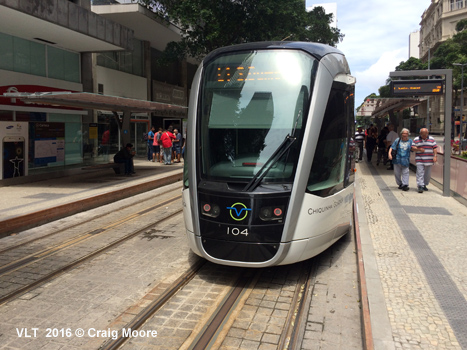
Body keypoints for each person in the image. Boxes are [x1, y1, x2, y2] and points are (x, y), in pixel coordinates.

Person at [413, 128, 438, 193]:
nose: (424, 136)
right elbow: (413, 148)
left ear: (428, 133)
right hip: (419, 159)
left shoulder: (432, 139)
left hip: (429, 159)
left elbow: (435, 148)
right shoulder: (416, 139)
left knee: (427, 174)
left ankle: (424, 184)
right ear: (420, 134)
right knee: (420, 173)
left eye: (425, 134)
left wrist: (435, 156)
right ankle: (420, 186)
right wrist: (419, 149)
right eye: (422, 135)